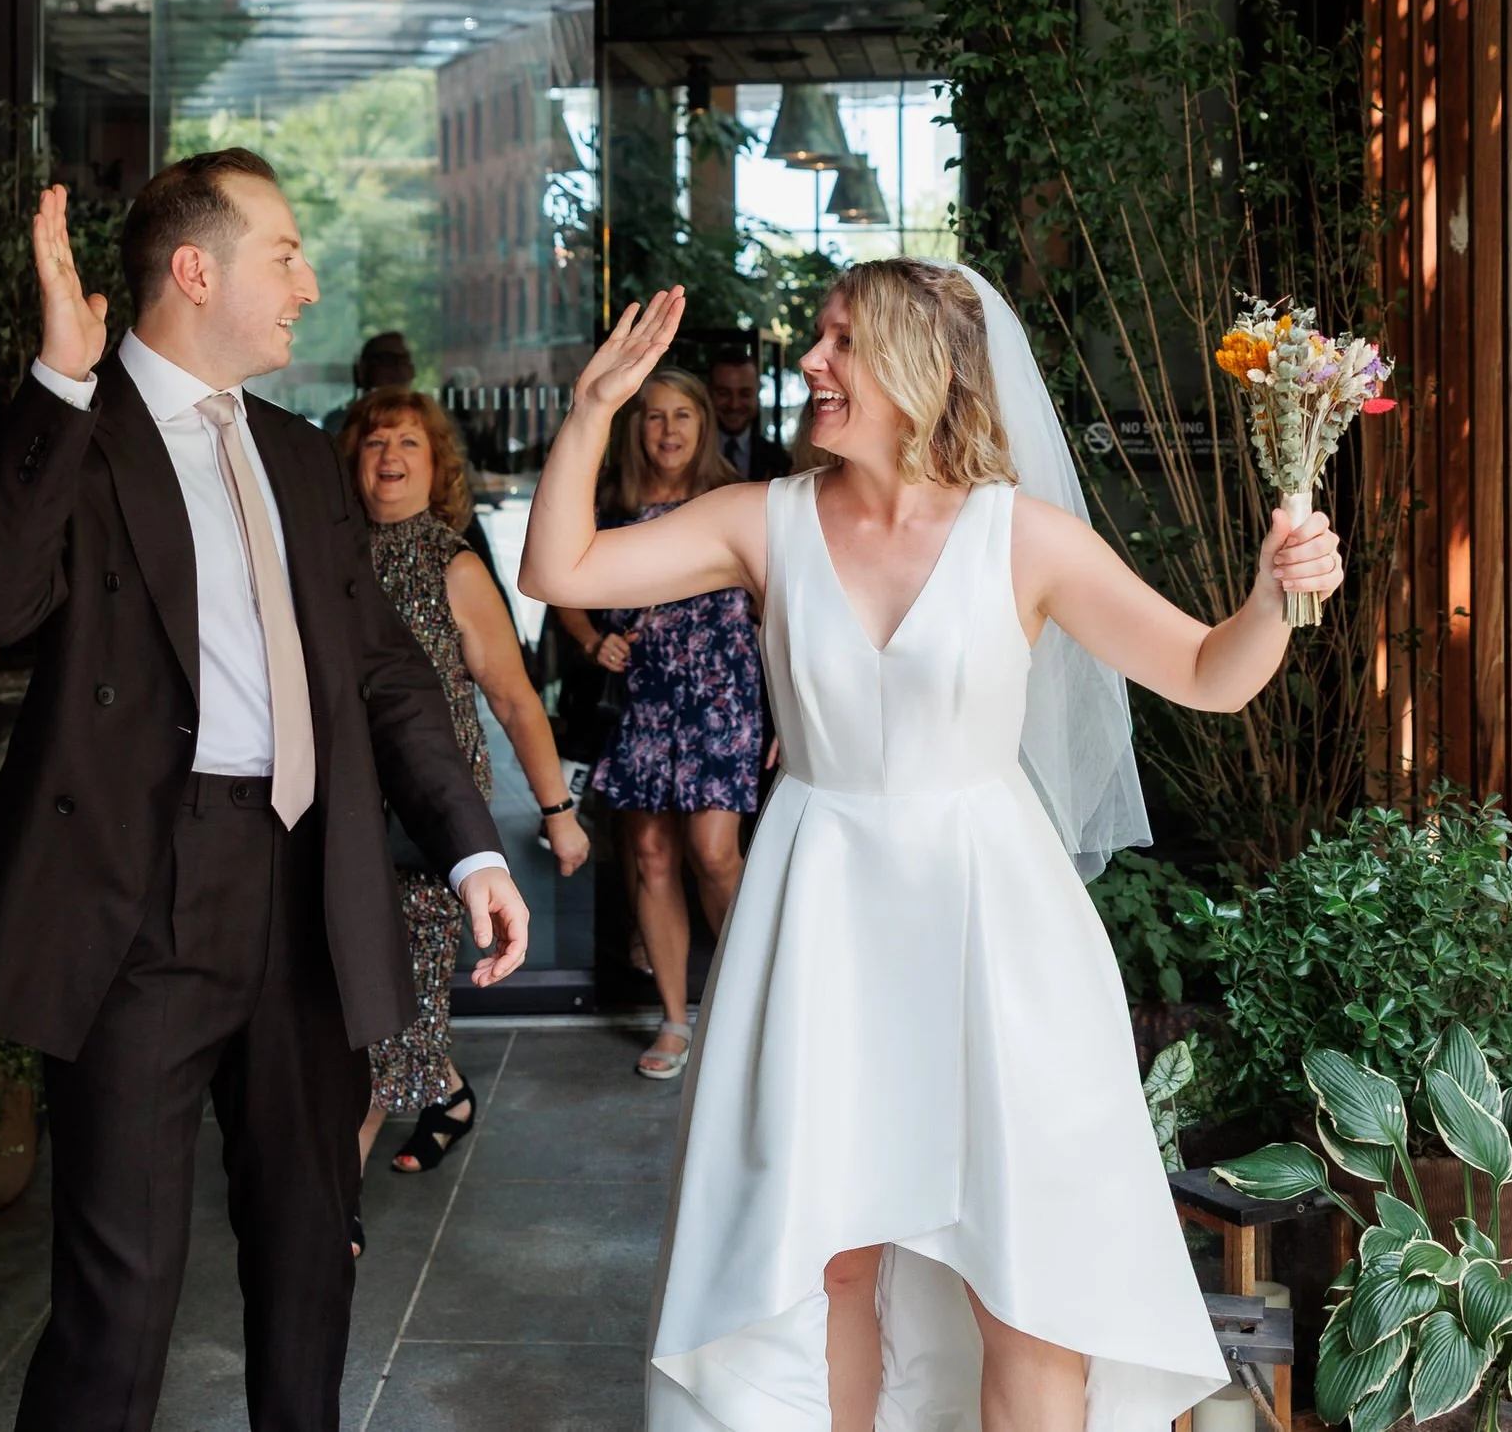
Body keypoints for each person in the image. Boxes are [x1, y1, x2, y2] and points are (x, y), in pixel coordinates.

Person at [520, 261, 1344, 1431]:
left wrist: (1273, 595)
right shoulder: (766, 520)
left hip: (995, 926)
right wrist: (593, 407)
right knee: (825, 1259)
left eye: (840, 340)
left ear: (920, 368)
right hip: (819, 919)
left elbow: (1209, 672)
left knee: (1027, 1275)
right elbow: (560, 570)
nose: (811, 360)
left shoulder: (1026, 539)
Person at [0, 152, 532, 1432]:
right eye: (287, 253)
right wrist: (55, 378)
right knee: (122, 1292)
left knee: (314, 1252)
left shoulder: (303, 457)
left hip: (310, 886)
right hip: (141, 899)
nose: (308, 283)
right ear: (197, 271)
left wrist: (473, 849)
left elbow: (386, 677)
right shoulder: (79, 431)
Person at [339, 390, 591, 1210]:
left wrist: (558, 814)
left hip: (431, 819)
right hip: (344, 810)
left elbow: (517, 700)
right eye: (374, 441)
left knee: (393, 989)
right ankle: (445, 1089)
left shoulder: (456, 564)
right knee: (363, 988)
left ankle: (332, 1201)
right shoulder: (324, 560)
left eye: (408, 441)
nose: (390, 455)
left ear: (437, 463)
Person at [551, 367, 764, 1082]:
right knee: (650, 857)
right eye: (652, 416)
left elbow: (786, 610)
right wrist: (590, 640)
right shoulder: (609, 504)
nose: (668, 429)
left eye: (682, 414)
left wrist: (790, 714)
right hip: (646, 699)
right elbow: (560, 589)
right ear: (634, 429)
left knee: (713, 853)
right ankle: (675, 1017)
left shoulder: (738, 501)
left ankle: (750, 1007)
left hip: (723, 699)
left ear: (704, 424)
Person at [710, 353, 793, 482]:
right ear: (708, 393)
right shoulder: (685, 455)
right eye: (724, 393)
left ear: (757, 395)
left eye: (745, 394)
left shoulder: (780, 460)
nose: (734, 405)